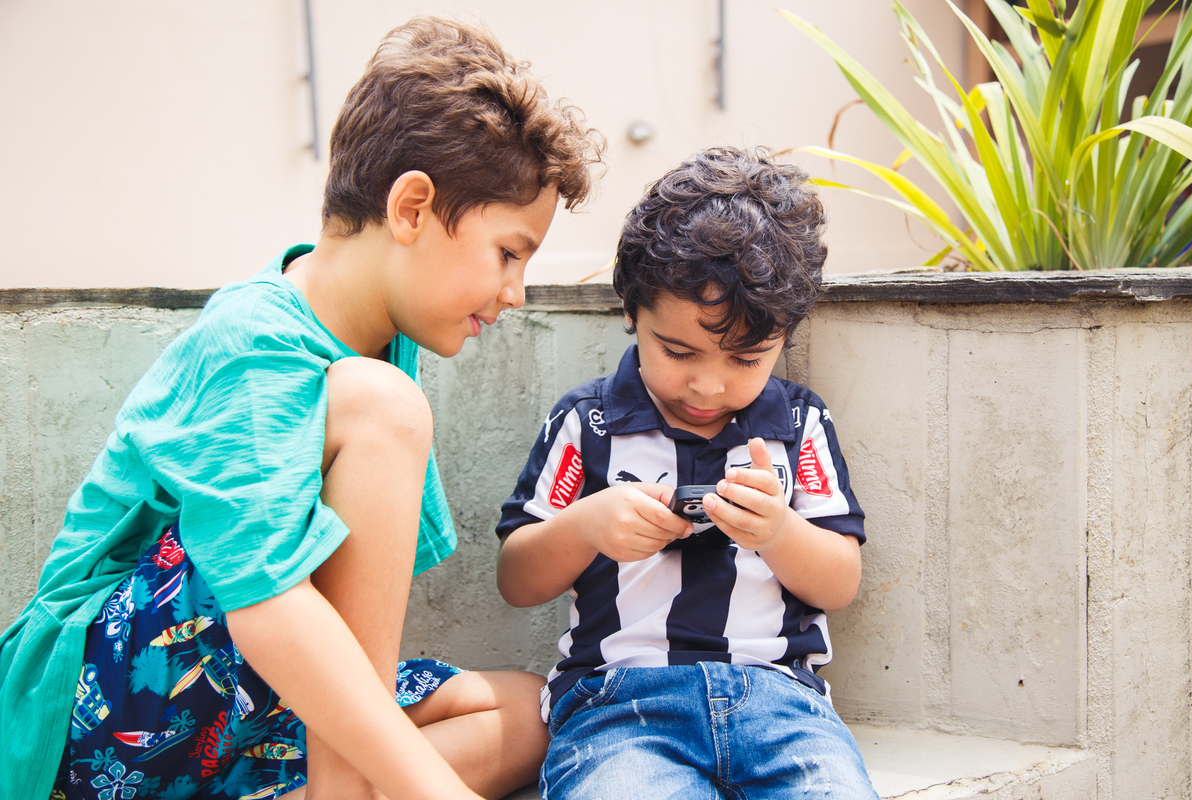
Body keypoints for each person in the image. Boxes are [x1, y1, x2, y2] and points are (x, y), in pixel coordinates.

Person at [0, 17, 602, 800]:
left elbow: (347, 635)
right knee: (383, 407)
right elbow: (269, 608)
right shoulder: (256, 337)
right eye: (509, 253)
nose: (515, 292)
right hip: (95, 712)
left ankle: (325, 789)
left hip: (231, 712)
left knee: (534, 711)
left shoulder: (383, 346)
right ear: (413, 209)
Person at [496, 146, 878, 799]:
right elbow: (516, 578)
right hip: (619, 707)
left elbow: (840, 581)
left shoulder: (798, 425)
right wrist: (588, 524)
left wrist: (779, 532)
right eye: (677, 351)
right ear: (631, 313)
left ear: (784, 336)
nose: (708, 383)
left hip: (783, 707)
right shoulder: (588, 423)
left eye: (746, 359)